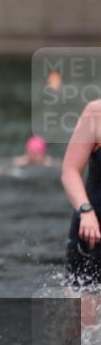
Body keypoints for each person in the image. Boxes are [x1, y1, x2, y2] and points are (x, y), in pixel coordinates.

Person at [61, 100, 101, 291]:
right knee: (85, 320)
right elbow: (70, 171)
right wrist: (85, 211)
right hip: (92, 233)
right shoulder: (96, 113)